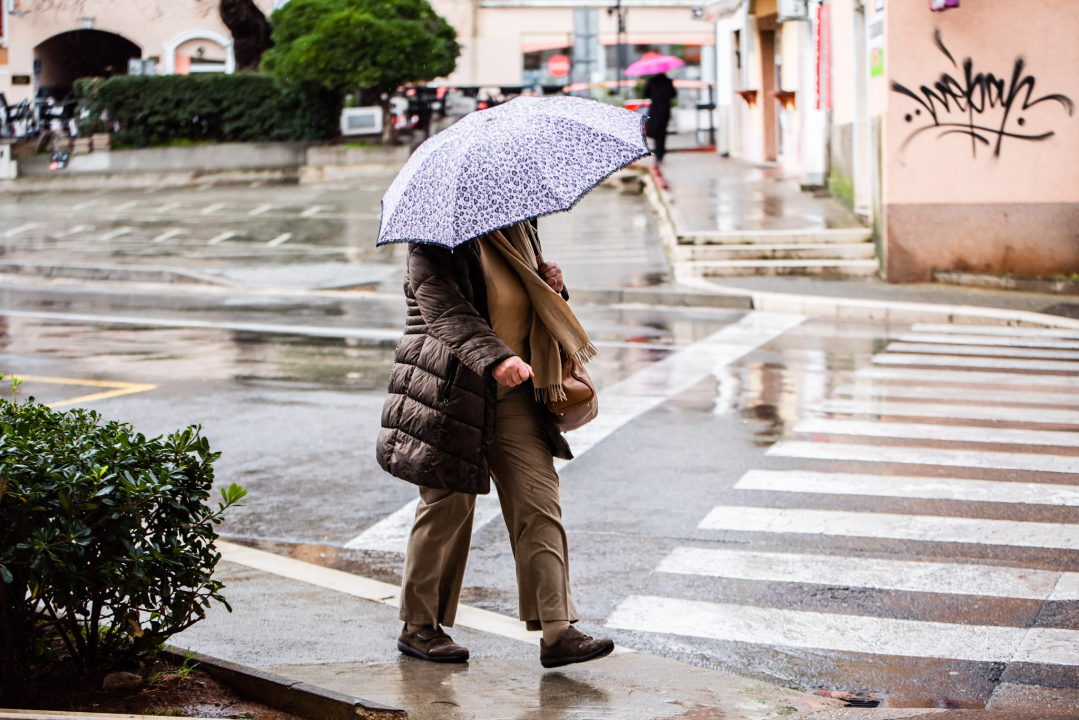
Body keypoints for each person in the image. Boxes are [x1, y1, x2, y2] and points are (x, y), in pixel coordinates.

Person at [376, 219, 615, 669]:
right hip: (451, 388)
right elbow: (443, 308)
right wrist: (496, 357)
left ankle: (557, 630)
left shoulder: (520, 226)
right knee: (448, 507)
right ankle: (419, 625)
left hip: (516, 391)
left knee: (538, 499)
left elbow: (526, 302)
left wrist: (552, 285)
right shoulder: (435, 233)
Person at [643, 71, 675, 162]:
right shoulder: (668, 81)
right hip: (665, 109)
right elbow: (673, 94)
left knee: (656, 129)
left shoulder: (652, 81)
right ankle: (660, 153)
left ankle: (658, 152)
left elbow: (646, 93)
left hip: (655, 109)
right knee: (662, 131)